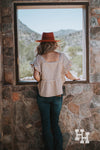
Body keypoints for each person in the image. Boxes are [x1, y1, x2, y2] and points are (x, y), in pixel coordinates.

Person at [32, 32, 79, 150]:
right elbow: (68, 74)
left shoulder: (39, 58)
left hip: (43, 95)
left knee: (46, 125)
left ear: (42, 44)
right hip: (57, 95)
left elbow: (37, 77)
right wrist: (75, 78)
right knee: (55, 124)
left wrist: (45, 77)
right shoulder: (62, 57)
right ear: (54, 44)